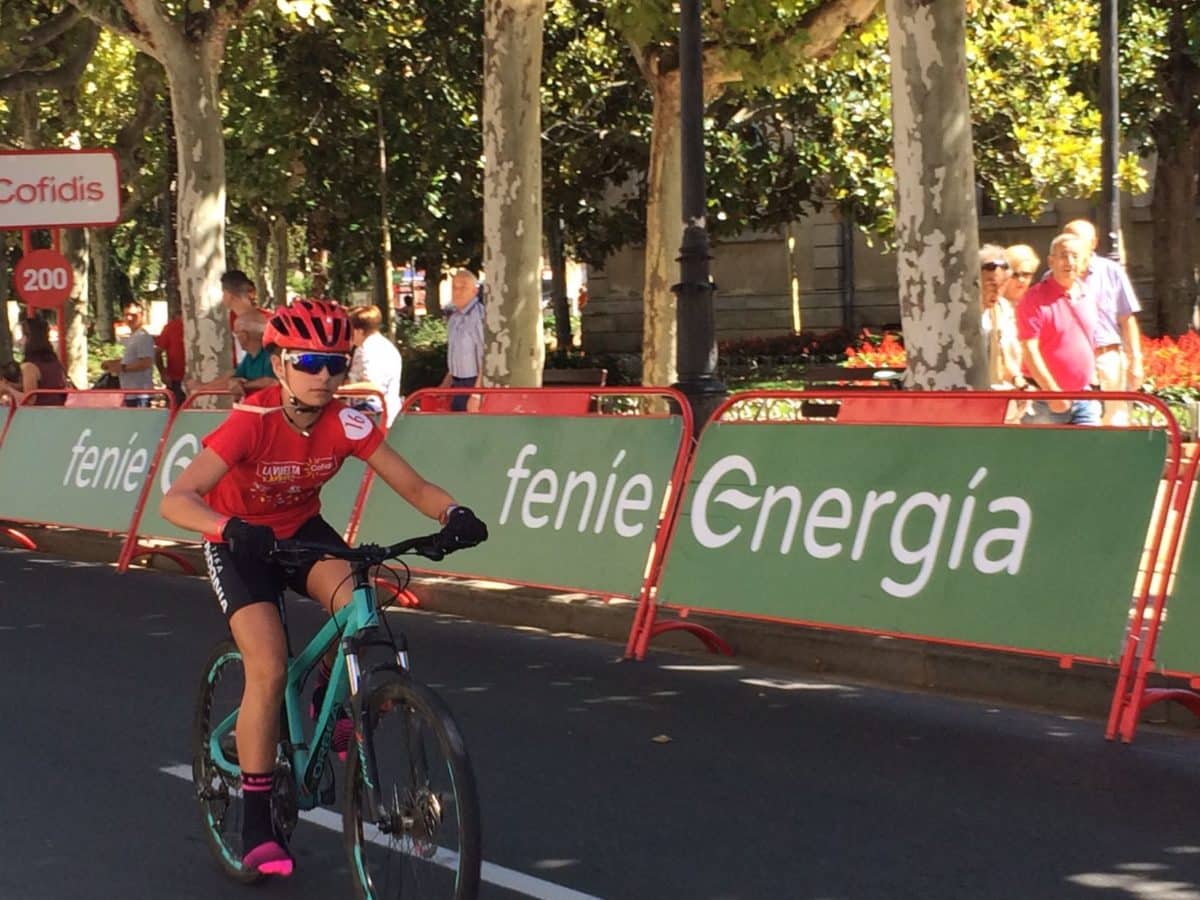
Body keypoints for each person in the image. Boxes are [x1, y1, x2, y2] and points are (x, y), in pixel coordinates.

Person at [159, 299, 487, 878]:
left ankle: (328, 702)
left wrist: (453, 512)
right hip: (240, 542)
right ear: (280, 364)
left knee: (363, 604)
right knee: (269, 665)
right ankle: (257, 822)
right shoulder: (250, 423)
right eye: (309, 362)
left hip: (302, 534)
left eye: (336, 364)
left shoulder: (348, 420)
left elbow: (411, 483)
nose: (324, 377)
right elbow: (176, 499)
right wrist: (228, 527)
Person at [1063, 219, 1145, 426]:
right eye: (1067, 237)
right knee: (1083, 422)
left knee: (1115, 422)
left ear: (1093, 243)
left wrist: (1135, 360)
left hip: (1107, 356)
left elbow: (1127, 318)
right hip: (1073, 362)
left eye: (1077, 238)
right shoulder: (1054, 277)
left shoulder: (1111, 271)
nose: (1070, 243)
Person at [1015, 234, 1102, 426]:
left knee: (1092, 454)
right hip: (1044, 400)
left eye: (1075, 256)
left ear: (1084, 262)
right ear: (1051, 261)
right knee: (1046, 456)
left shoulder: (1088, 295)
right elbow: (1029, 350)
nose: (1069, 262)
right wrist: (1053, 393)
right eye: (1063, 255)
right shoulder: (1034, 299)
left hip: (1084, 396)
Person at [185, 309, 276, 400]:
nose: (234, 339)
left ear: (244, 336)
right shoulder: (249, 357)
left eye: (235, 334)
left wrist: (243, 385)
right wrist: (203, 388)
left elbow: (271, 382)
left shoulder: (270, 353)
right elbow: (233, 378)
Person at [342, 305, 403, 426]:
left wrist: (337, 391)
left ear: (359, 331)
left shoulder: (369, 349)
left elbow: (371, 387)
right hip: (383, 414)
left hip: (374, 415)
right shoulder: (382, 345)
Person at [440, 269, 485, 412]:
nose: (457, 292)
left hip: (474, 384)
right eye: (454, 287)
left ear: (474, 291)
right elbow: (455, 357)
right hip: (457, 383)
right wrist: (444, 386)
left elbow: (486, 358)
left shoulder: (479, 317)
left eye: (463, 287)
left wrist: (477, 394)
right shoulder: (454, 318)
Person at [978, 243, 1022, 389]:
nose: (997, 291)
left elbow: (1005, 356)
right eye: (991, 284)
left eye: (1002, 285)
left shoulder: (1003, 310)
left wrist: (1018, 381)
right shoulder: (962, 312)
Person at [3, 316, 68, 406]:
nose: (19, 342)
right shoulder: (55, 362)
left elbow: (29, 401)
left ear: (29, 338)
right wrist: (10, 386)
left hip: (39, 415)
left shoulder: (29, 367)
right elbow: (45, 387)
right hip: (57, 411)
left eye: (21, 337)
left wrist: (8, 389)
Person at [102, 301, 156, 407]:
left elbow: (146, 362)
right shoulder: (133, 337)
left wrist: (122, 368)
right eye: (127, 315)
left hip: (140, 394)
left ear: (142, 316)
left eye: (134, 315)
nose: (130, 318)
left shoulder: (143, 337)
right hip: (130, 392)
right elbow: (131, 359)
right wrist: (112, 363)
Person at [155, 309, 186, 406]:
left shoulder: (170, 327)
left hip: (185, 379)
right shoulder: (171, 327)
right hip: (176, 379)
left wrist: (162, 373)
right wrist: (162, 372)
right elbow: (157, 352)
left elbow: (157, 352)